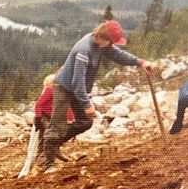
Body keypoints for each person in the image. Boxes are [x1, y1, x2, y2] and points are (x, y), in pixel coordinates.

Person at [42, 20, 154, 173]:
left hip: (76, 88)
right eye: (111, 42)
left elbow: (118, 55)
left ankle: (53, 144)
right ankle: (47, 163)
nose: (112, 45)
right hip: (63, 87)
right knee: (57, 124)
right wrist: (87, 104)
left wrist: (139, 62)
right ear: (103, 38)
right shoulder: (84, 50)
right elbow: (77, 82)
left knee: (85, 122)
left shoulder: (101, 44)